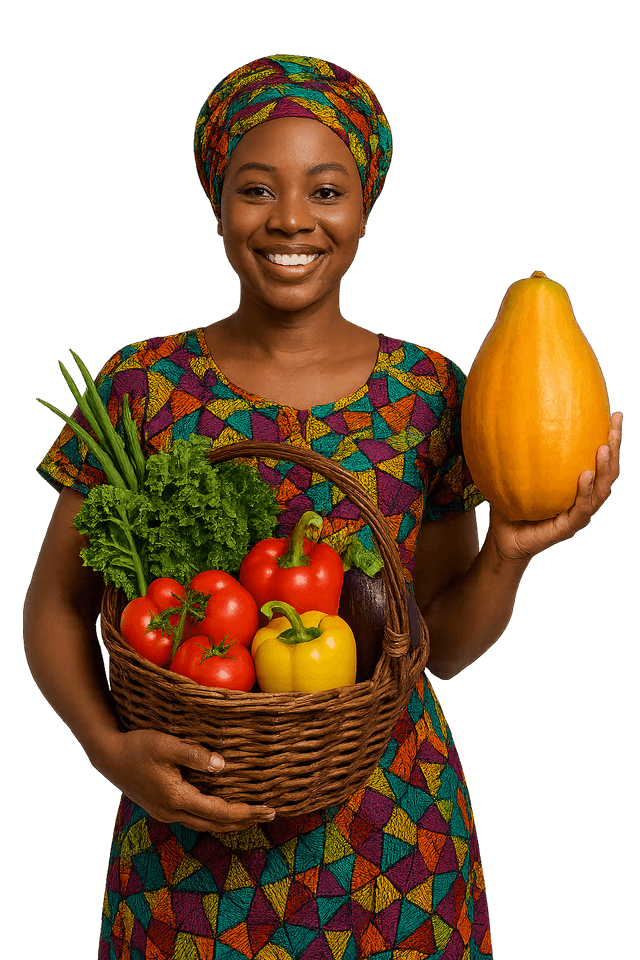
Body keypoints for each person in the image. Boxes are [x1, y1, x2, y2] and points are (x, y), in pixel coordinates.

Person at [25, 55, 621, 959]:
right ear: (218, 206)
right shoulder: (143, 383)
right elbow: (54, 609)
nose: (292, 219)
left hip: (394, 847)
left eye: (326, 189)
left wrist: (514, 550)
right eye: (256, 188)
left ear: (365, 207)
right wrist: (108, 751)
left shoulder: (429, 391)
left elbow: (443, 650)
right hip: (190, 841)